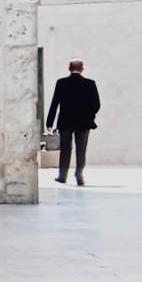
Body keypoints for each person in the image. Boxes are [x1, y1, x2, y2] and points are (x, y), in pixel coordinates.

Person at [44, 58, 100, 187]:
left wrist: (49, 122)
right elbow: (96, 104)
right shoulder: (90, 84)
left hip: (66, 121)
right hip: (84, 122)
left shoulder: (61, 83)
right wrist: (89, 116)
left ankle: (62, 176)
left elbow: (55, 103)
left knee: (65, 149)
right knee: (81, 150)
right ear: (82, 69)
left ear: (69, 69)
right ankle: (79, 175)